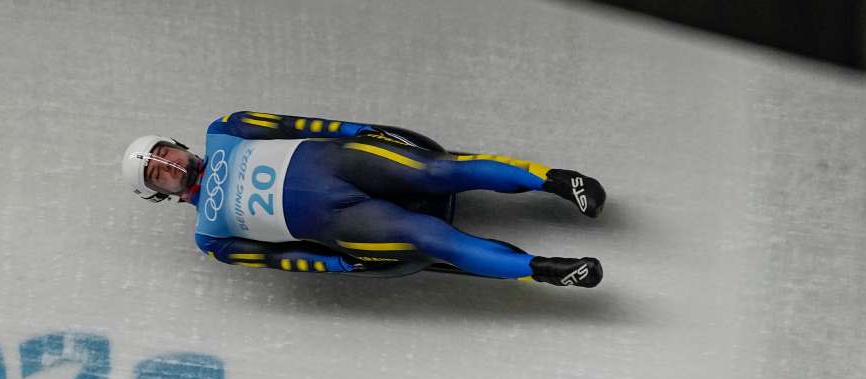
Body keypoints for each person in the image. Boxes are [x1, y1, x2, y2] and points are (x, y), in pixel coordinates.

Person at [122, 111, 606, 287]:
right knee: (428, 237)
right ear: (160, 194)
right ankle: (546, 270)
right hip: (343, 220)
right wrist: (339, 266)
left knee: (439, 172)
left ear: (177, 145)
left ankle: (558, 181)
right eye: (157, 174)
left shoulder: (227, 129)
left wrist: (357, 132)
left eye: (164, 154)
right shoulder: (212, 236)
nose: (168, 167)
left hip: (344, 160)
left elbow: (298, 126)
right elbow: (280, 260)